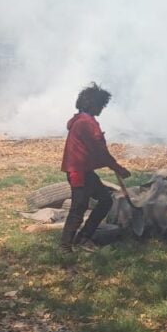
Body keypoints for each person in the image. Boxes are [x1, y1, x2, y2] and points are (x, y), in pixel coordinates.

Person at [59, 82, 131, 253]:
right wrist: (118, 168)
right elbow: (100, 151)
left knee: (105, 200)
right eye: (100, 105)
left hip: (84, 171)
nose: (101, 109)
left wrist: (112, 165)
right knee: (78, 208)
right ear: (92, 104)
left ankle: (84, 238)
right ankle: (64, 247)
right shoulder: (87, 123)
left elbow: (97, 151)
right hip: (79, 172)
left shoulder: (81, 120)